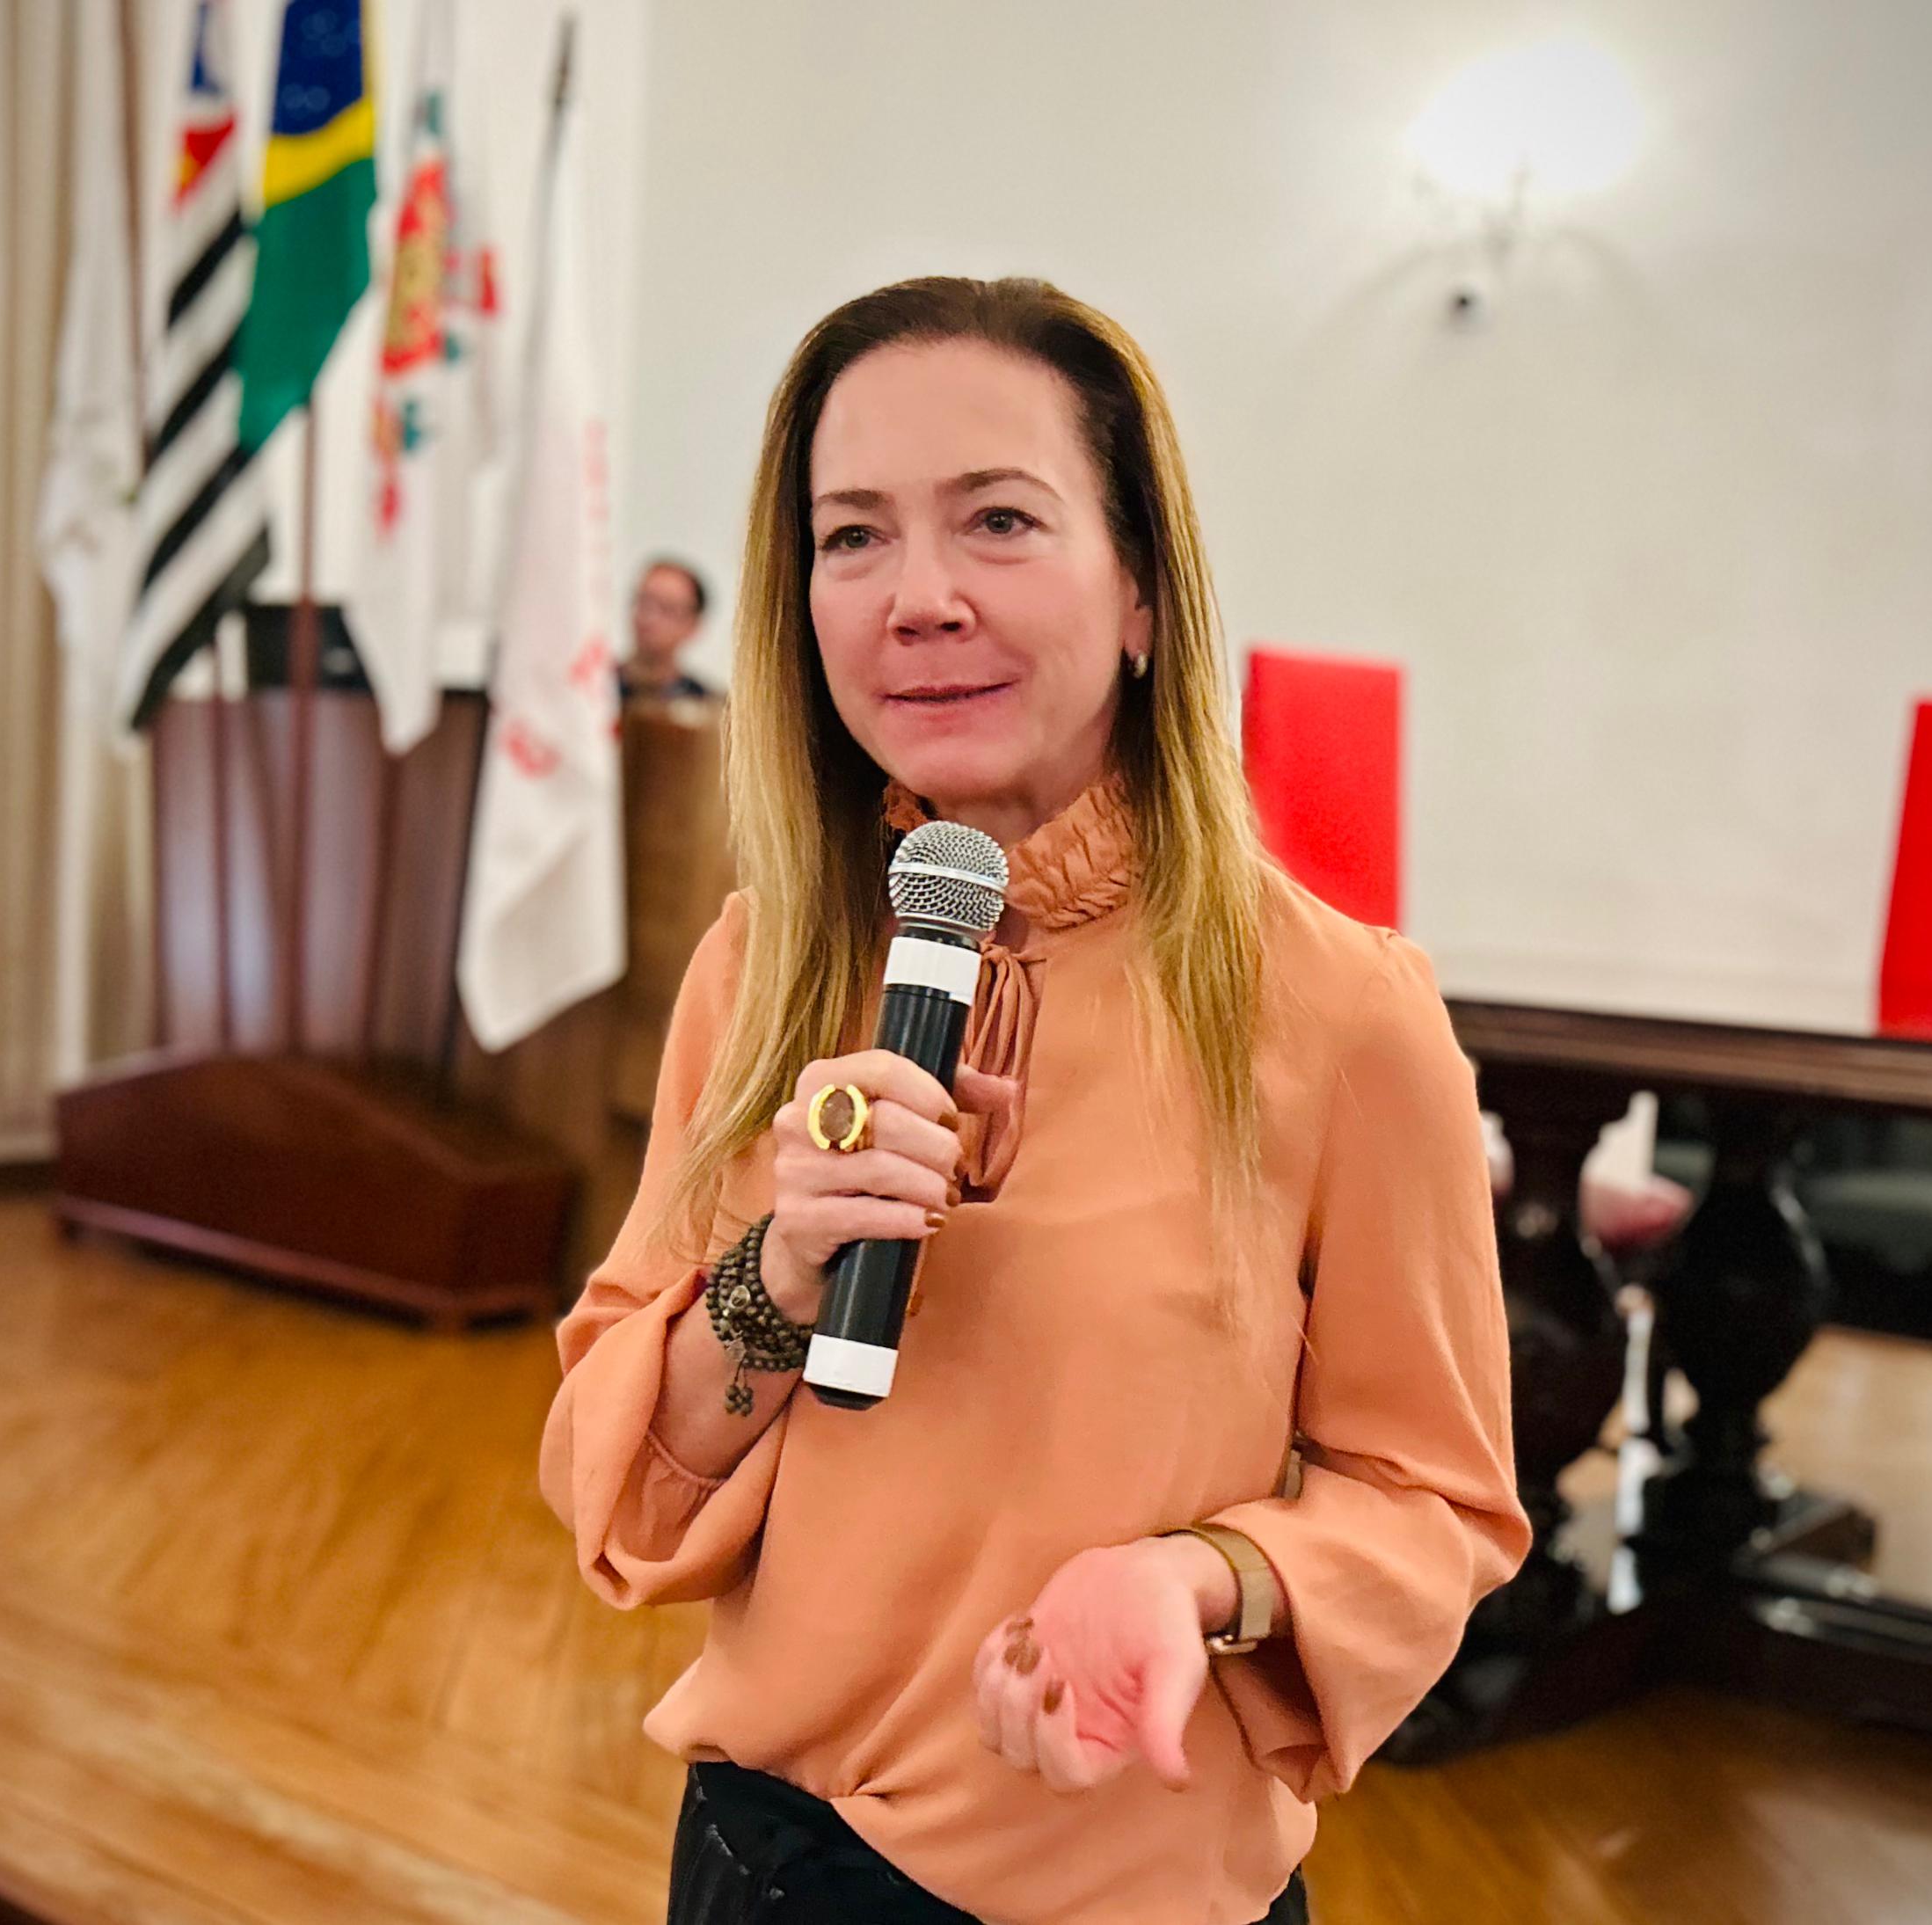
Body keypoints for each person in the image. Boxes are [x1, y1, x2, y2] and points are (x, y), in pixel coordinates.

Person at [542, 277, 1530, 1925]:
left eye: (995, 519)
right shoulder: (761, 961)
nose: (916, 597)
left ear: (1140, 590)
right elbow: (625, 1478)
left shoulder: (1344, 1012)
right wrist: (779, 1269)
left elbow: (1434, 1502)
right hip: (765, 1863)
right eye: (851, 536)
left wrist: (1198, 1579)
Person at [625, 557, 715, 703]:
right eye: (644, 602)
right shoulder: (597, 688)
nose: (649, 617)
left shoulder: (706, 704)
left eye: (667, 608)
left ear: (693, 625)